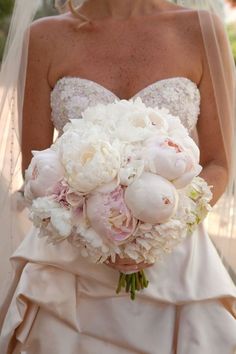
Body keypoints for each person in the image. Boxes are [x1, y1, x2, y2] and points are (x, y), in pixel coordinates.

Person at [0, 0, 236, 353]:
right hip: (70, 279)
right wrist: (93, 231)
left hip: (179, 268)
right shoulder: (45, 37)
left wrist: (160, 231)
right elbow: (35, 171)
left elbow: (219, 162)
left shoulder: (201, 29)